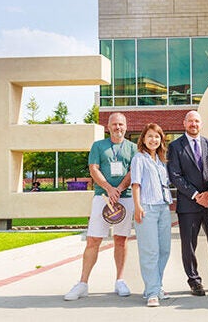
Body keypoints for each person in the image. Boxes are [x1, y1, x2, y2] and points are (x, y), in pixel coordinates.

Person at [64, 112, 137, 301]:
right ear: (108, 126)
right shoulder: (98, 146)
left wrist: (119, 189)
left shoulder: (133, 148)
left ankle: (120, 280)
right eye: (114, 124)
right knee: (93, 240)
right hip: (102, 198)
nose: (118, 128)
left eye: (121, 124)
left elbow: (133, 171)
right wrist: (109, 188)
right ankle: (82, 283)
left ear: (126, 126)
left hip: (125, 197)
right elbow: (93, 169)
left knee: (121, 240)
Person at [167, 110, 208, 296]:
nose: (194, 124)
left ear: (202, 124)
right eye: (190, 121)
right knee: (189, 245)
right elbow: (175, 175)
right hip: (188, 205)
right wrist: (195, 195)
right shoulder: (175, 146)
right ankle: (194, 281)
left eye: (197, 121)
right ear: (184, 123)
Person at [131, 123, 173, 307]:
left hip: (163, 207)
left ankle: (156, 286)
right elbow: (136, 184)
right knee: (150, 251)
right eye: (150, 136)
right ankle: (152, 292)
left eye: (157, 137)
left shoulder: (161, 161)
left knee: (164, 249)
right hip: (146, 207)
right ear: (143, 139)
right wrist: (137, 206)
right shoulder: (139, 159)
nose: (153, 140)